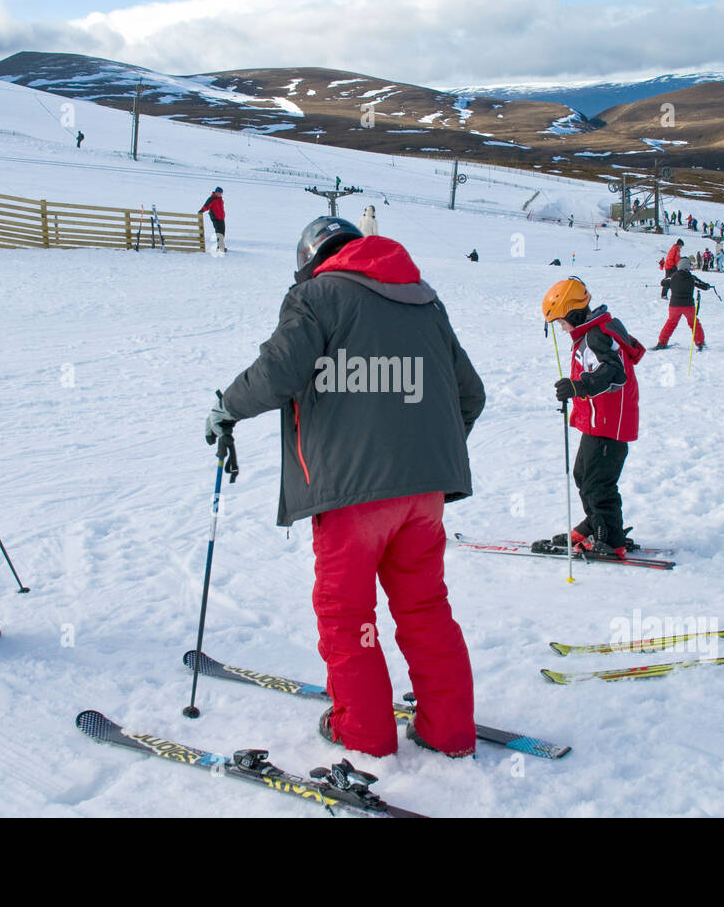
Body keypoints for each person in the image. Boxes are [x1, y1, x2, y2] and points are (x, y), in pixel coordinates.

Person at [205, 217, 485, 758]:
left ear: (312, 259)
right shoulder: (424, 301)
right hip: (424, 498)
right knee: (426, 608)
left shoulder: (317, 296)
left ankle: (364, 734)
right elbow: (469, 394)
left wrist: (226, 407)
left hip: (352, 498)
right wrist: (423, 452)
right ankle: (449, 730)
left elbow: (277, 372)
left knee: (347, 615)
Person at [534, 278, 645, 559]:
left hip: (610, 423)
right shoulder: (590, 333)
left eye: (562, 322)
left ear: (573, 312)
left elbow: (613, 372)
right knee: (583, 474)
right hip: (598, 421)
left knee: (599, 483)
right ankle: (594, 523)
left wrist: (579, 386)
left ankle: (609, 539)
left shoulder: (596, 336)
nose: (562, 328)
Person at [655, 259, 711, 351]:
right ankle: (700, 343)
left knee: (670, 324)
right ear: (687, 267)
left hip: (674, 306)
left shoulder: (672, 277)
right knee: (694, 324)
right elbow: (704, 286)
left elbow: (663, 282)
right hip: (688, 306)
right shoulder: (692, 277)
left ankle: (662, 342)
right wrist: (708, 286)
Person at [198, 186, 226, 253]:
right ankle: (220, 248)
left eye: (221, 193)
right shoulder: (212, 199)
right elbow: (206, 206)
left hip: (221, 217)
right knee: (219, 232)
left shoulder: (220, 199)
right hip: (215, 218)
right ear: (216, 192)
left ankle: (221, 246)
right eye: (219, 193)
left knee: (222, 231)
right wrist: (201, 210)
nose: (220, 194)